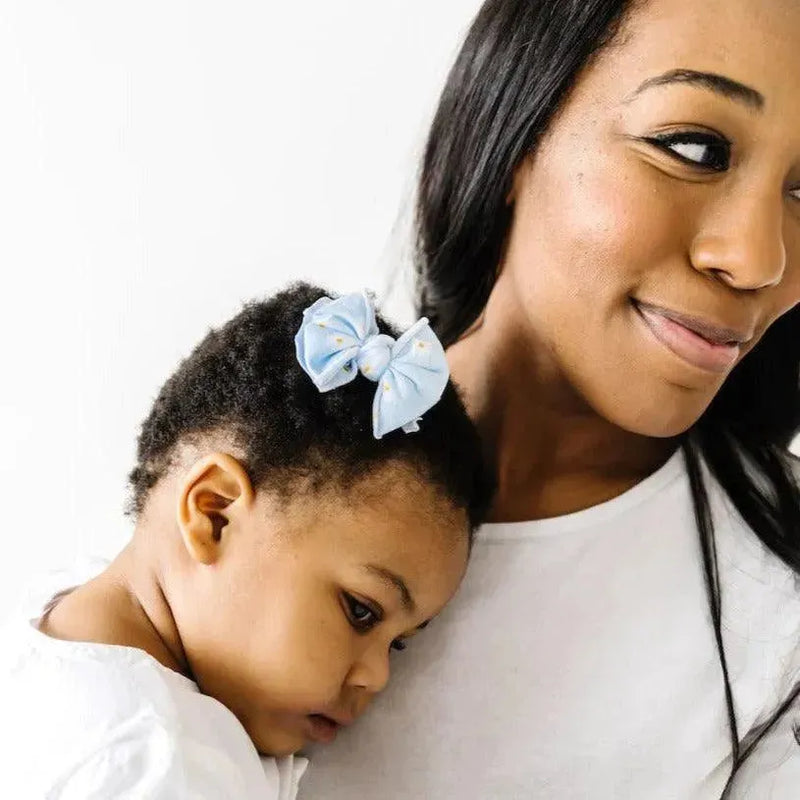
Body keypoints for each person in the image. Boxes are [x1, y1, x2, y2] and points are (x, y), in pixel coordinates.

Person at [299, 0, 800, 797]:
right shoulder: (277, 452)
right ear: (515, 131)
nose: (759, 259)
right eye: (695, 148)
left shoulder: (779, 608)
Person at [0, 284, 491, 798]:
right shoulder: (159, 762)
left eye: (398, 643)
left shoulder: (56, 620)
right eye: (361, 611)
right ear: (214, 515)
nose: (377, 676)